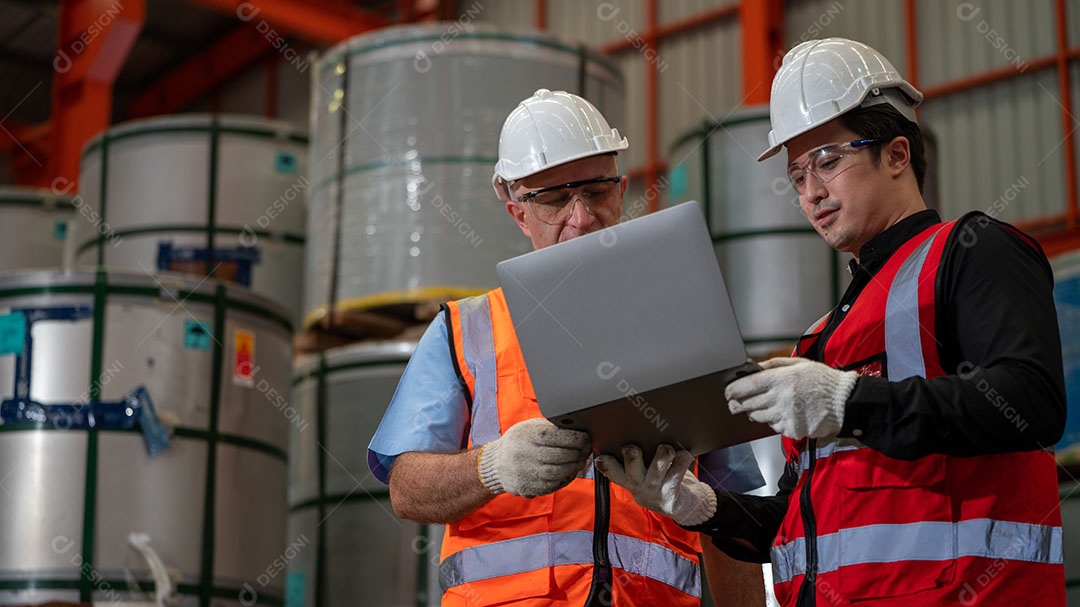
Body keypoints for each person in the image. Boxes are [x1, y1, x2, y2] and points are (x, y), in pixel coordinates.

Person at [595, 38, 1067, 607]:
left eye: (829, 161)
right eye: (796, 175)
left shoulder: (974, 251)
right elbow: (798, 527)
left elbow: (1032, 403)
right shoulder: (820, 340)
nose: (812, 192)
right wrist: (700, 506)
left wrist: (849, 402)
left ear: (897, 154)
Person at [367, 89, 766, 606]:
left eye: (597, 192)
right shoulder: (468, 329)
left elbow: (727, 511)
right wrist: (493, 467)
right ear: (517, 212)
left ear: (621, 191)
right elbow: (406, 488)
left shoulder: (681, 316)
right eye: (554, 199)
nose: (581, 219)